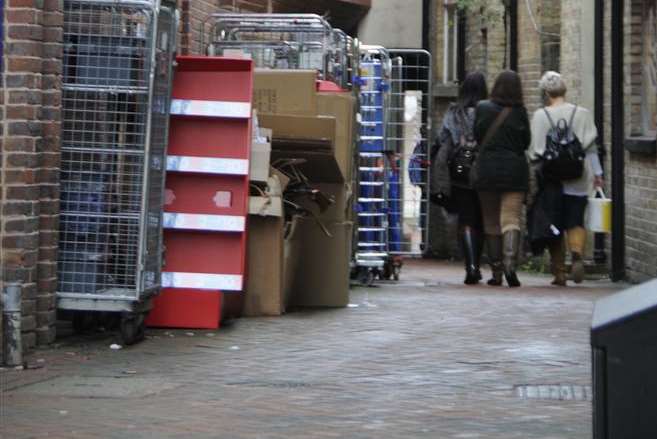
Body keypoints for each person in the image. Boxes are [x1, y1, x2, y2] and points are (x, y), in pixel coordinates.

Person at [528, 71, 603, 286]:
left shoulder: (541, 116)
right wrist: (598, 174)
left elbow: (534, 151)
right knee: (575, 218)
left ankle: (560, 272)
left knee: (554, 223)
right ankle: (577, 253)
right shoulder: (583, 114)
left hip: (552, 178)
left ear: (545, 92)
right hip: (578, 176)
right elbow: (591, 148)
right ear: (564, 90)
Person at [472, 71, 531, 288]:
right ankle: (510, 266)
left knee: (490, 221)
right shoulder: (520, 112)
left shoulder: (482, 108)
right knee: (511, 219)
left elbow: (477, 136)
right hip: (514, 171)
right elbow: (526, 142)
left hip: (487, 169)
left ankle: (496, 271)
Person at [432, 72, 488, 284]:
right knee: (481, 220)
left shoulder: (453, 112)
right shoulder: (488, 111)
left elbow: (442, 140)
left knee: (466, 219)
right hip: (482, 171)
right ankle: (479, 263)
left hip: (459, 173)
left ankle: (470, 266)